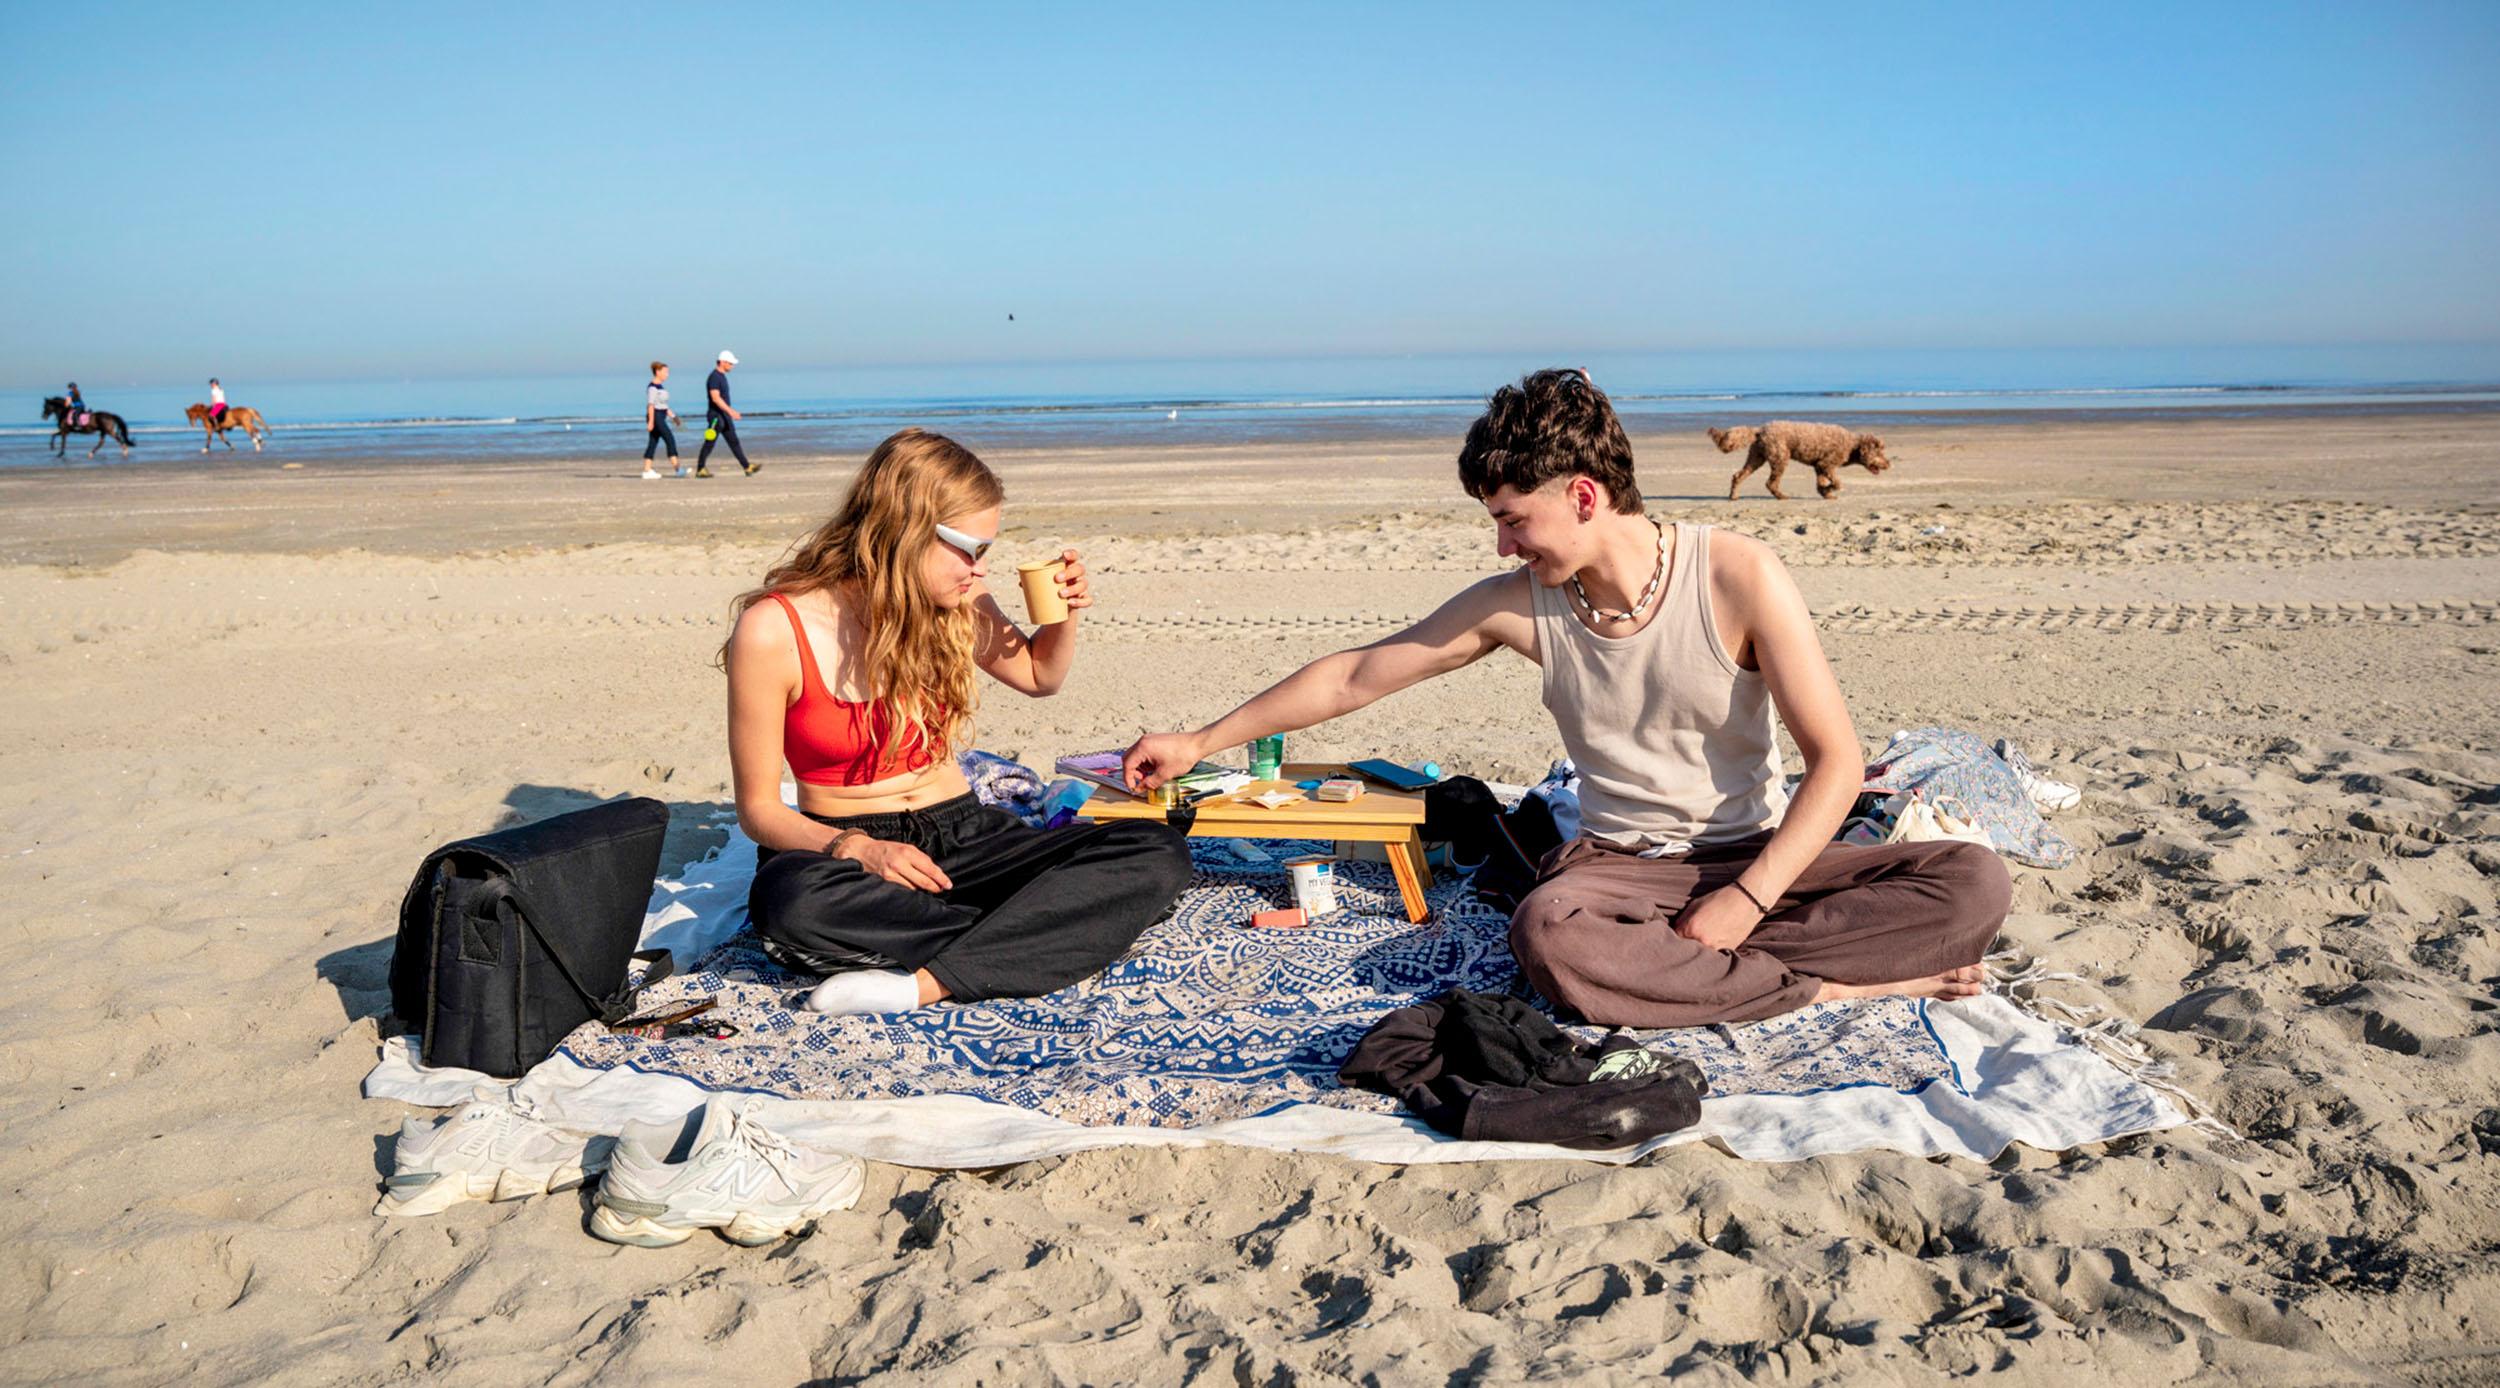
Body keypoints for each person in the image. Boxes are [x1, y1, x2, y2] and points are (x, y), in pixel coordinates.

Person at [1124, 369, 2009, 1029]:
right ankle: (1830, 986)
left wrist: (1743, 899)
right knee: (1548, 931)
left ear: (1583, 496)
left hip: (1758, 858)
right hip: (1618, 874)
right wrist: (1204, 740)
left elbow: (1838, 763)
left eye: (1514, 518)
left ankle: (1703, 968)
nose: (1506, 545)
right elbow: (1359, 674)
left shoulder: (1738, 574)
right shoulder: (1524, 605)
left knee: (1973, 881)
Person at [725, 427, 1193, 1015]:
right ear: (904, 529)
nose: (979, 570)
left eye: (985, 551)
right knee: (790, 906)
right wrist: (860, 851)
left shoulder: (958, 600)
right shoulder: (773, 630)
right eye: (969, 549)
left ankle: (921, 985)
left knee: (1157, 849)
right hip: (847, 847)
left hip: (965, 834)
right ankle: (1046, 930)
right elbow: (760, 813)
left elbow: (1038, 677)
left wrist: (1063, 616)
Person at [695, 350, 757, 478]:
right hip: (716, 417)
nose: (732, 366)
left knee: (734, 441)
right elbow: (715, 398)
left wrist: (728, 413)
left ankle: (747, 467)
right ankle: (700, 469)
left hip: (724, 416)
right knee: (710, 442)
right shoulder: (714, 377)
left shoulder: (722, 376)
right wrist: (731, 411)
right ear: (722, 362)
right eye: (730, 363)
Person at [641, 362, 682, 479]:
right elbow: (651, 405)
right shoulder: (652, 387)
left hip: (661, 415)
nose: (667, 375)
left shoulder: (661, 387)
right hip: (656, 417)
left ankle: (647, 471)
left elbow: (663, 405)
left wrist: (673, 417)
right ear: (658, 372)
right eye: (665, 372)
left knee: (653, 442)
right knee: (670, 439)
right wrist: (651, 422)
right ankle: (678, 469)